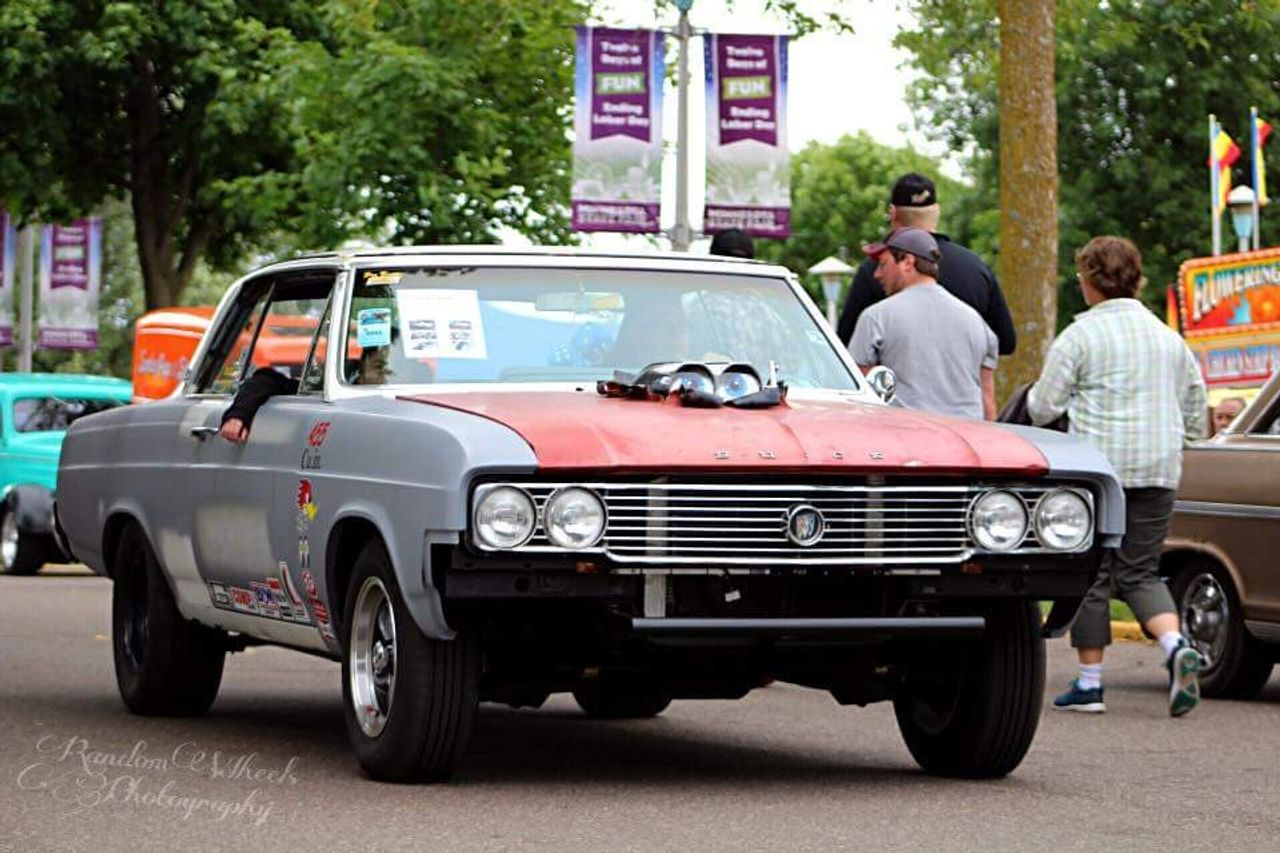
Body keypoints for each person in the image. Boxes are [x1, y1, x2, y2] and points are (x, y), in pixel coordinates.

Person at [1027, 236, 1208, 717]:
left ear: (1088, 280)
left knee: (1092, 573)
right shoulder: (1169, 339)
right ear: (1137, 278)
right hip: (1158, 467)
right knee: (1141, 571)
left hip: (1099, 471)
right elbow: (1196, 413)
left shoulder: (1079, 336)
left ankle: (1089, 684)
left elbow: (1044, 407)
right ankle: (1174, 648)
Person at [835, 173, 1016, 356]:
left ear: (893, 213)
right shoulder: (976, 267)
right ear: (937, 211)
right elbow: (1005, 342)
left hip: (898, 381)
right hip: (964, 382)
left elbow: (846, 343)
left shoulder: (878, 268)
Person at [848, 227, 997, 420]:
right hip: (967, 439)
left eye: (883, 264)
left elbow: (857, 393)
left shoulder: (876, 317)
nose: (877, 274)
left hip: (905, 439)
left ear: (908, 262)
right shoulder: (977, 323)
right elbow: (988, 402)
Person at [219, 346, 389, 443]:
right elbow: (266, 380)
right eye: (380, 367)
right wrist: (239, 414)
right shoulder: (328, 390)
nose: (387, 375)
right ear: (361, 369)